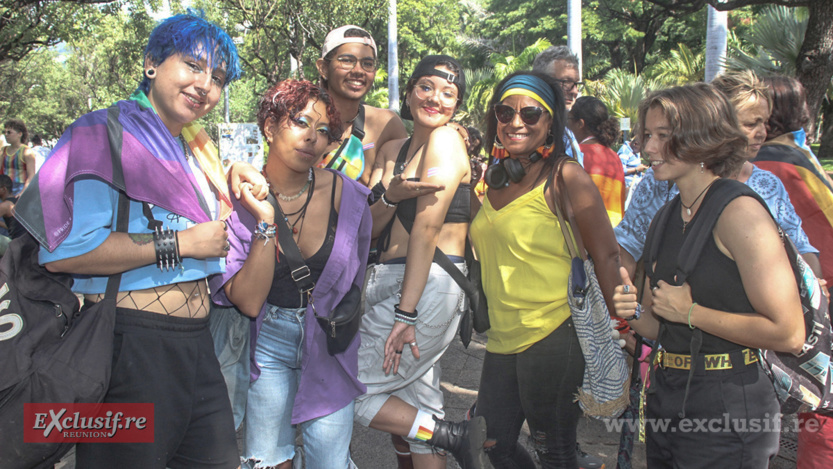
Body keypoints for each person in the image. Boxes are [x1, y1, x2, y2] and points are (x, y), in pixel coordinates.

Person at [14, 13, 260, 468]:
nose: (204, 84)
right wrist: (180, 243)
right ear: (151, 63)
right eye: (192, 65)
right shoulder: (101, 134)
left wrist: (230, 174)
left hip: (197, 347)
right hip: (128, 348)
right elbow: (64, 253)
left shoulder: (195, 149)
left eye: (218, 77)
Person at [613, 82, 804, 467]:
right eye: (647, 135)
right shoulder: (666, 216)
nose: (648, 148)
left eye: (663, 136)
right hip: (670, 396)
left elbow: (789, 333)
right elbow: (659, 328)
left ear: (702, 139)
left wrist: (692, 313)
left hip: (729, 405)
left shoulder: (740, 213)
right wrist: (631, 311)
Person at [210, 79, 371, 469]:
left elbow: (355, 274)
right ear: (269, 126)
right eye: (300, 122)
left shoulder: (349, 197)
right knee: (267, 460)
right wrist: (266, 221)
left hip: (329, 340)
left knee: (329, 462)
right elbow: (248, 302)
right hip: (265, 341)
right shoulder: (236, 201)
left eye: (323, 131)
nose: (312, 137)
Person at [472, 71, 621, 468]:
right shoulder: (493, 179)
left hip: (554, 332)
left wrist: (624, 321)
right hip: (503, 335)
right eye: (505, 112)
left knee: (553, 450)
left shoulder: (565, 176)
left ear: (551, 121)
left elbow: (607, 255)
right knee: (491, 443)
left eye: (530, 113)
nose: (515, 122)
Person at [355, 55, 491, 469]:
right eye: (426, 87)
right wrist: (391, 195)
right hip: (386, 279)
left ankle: (454, 436)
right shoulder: (392, 149)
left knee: (345, 387)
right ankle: (444, 434)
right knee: (420, 402)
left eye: (449, 93)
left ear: (458, 104)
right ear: (410, 90)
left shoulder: (447, 140)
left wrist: (406, 312)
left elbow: (427, 229)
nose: (435, 99)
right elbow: (369, 227)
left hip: (426, 284)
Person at [616, 70, 821, 282]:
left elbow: (800, 248)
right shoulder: (661, 181)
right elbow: (628, 246)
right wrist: (625, 292)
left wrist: (812, 286)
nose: (762, 133)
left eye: (764, 122)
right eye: (750, 124)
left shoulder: (767, 186)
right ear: (714, 125)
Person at [753, 74, 833, 469]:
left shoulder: (763, 164)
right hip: (810, 299)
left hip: (772, 303)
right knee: (821, 410)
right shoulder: (790, 164)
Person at [315, 25, 408, 186]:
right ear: (323, 68)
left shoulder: (386, 124)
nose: (358, 70)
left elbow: (407, 168)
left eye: (367, 63)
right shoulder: (301, 120)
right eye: (347, 61)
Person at [567, 96, 626, 226]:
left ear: (580, 124)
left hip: (586, 232)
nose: (567, 124)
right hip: (613, 230)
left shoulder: (575, 155)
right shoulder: (614, 157)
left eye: (569, 119)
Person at [531, 45, 584, 166]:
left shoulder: (566, 135)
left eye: (576, 84)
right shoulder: (515, 128)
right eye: (566, 82)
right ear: (541, 82)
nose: (574, 91)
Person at [1, 119, 37, 195]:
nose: (6, 134)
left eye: (9, 132)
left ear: (20, 134)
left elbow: (31, 176)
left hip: (20, 189)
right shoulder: (3, 150)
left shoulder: (26, 151)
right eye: (5, 132)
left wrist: (22, 194)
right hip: (4, 190)